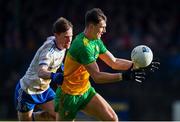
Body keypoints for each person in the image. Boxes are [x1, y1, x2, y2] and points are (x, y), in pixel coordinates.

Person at [55, 8, 160, 121]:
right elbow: (97, 77)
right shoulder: (82, 46)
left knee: (112, 119)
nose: (104, 30)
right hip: (68, 96)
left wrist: (137, 65)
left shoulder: (95, 41)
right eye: (102, 27)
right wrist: (123, 76)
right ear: (91, 26)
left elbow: (114, 62)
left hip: (85, 91)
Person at [14, 17, 73, 121]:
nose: (69, 40)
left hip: (44, 91)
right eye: (66, 37)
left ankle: (34, 117)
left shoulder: (60, 43)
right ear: (57, 35)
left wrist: (61, 67)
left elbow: (49, 38)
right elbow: (41, 72)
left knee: (64, 115)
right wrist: (55, 76)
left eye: (71, 36)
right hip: (27, 91)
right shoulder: (48, 52)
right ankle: (32, 118)